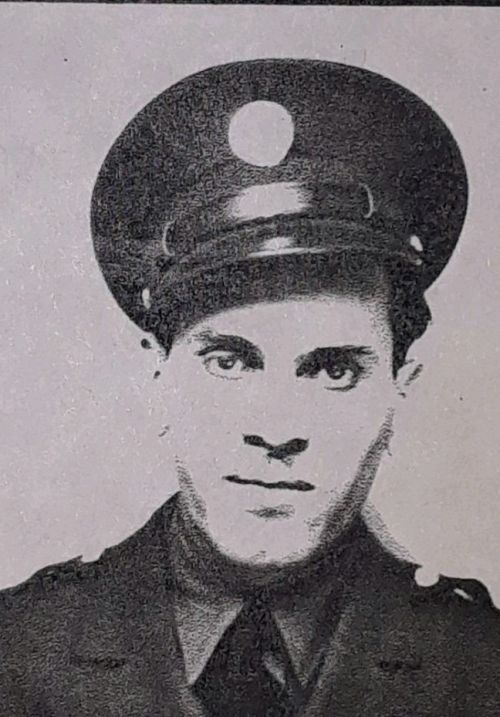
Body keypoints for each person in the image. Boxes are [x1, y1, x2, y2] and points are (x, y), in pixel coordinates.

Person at [0, 59, 498, 717]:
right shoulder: (17, 650)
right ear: (157, 372)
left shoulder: (480, 665)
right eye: (229, 362)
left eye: (334, 370)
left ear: (399, 389)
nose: (276, 428)